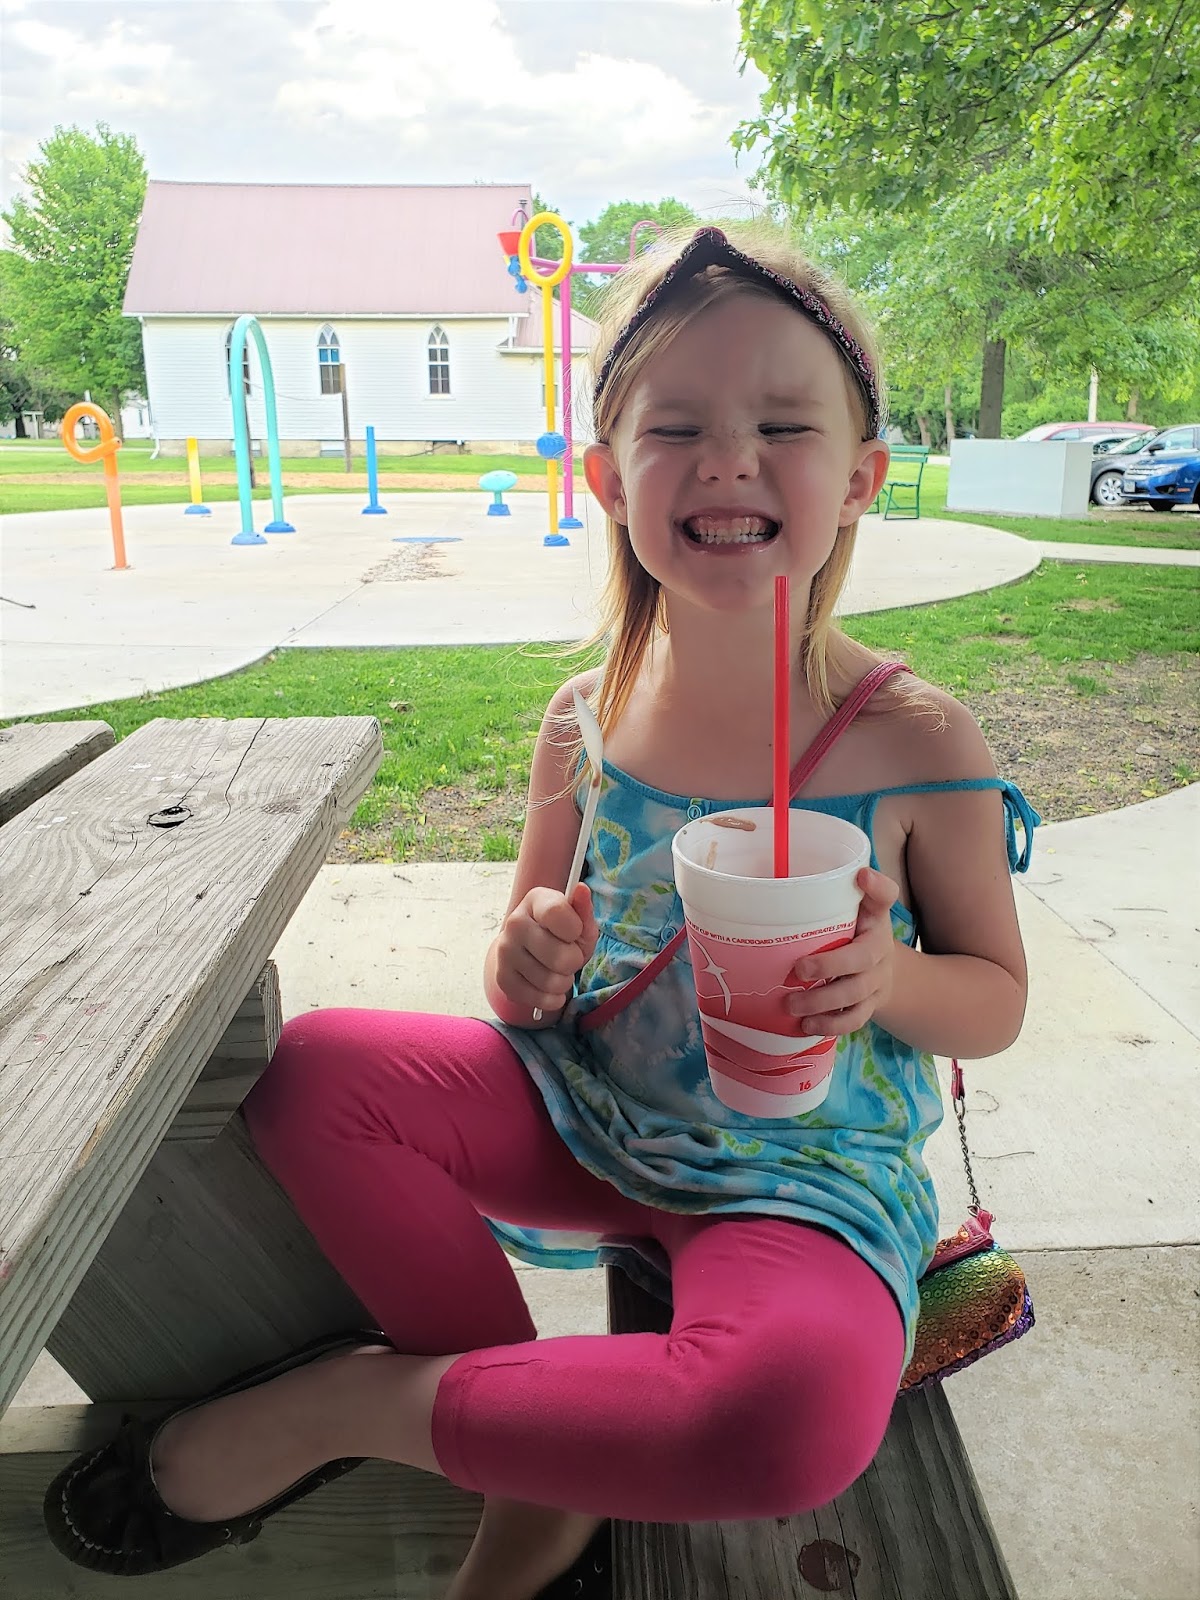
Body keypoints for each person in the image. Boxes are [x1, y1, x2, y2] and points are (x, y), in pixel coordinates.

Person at [44, 224, 1034, 1600]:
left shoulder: (915, 739)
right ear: (607, 480)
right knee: (320, 1072)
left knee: (786, 1420)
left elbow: (996, 994)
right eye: (674, 425)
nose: (728, 456)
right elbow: (523, 989)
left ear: (860, 479)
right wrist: (529, 958)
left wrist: (888, 981)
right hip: (591, 1114)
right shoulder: (586, 719)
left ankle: (364, 1412)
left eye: (783, 424)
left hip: (798, 1178)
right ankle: (533, 1448)